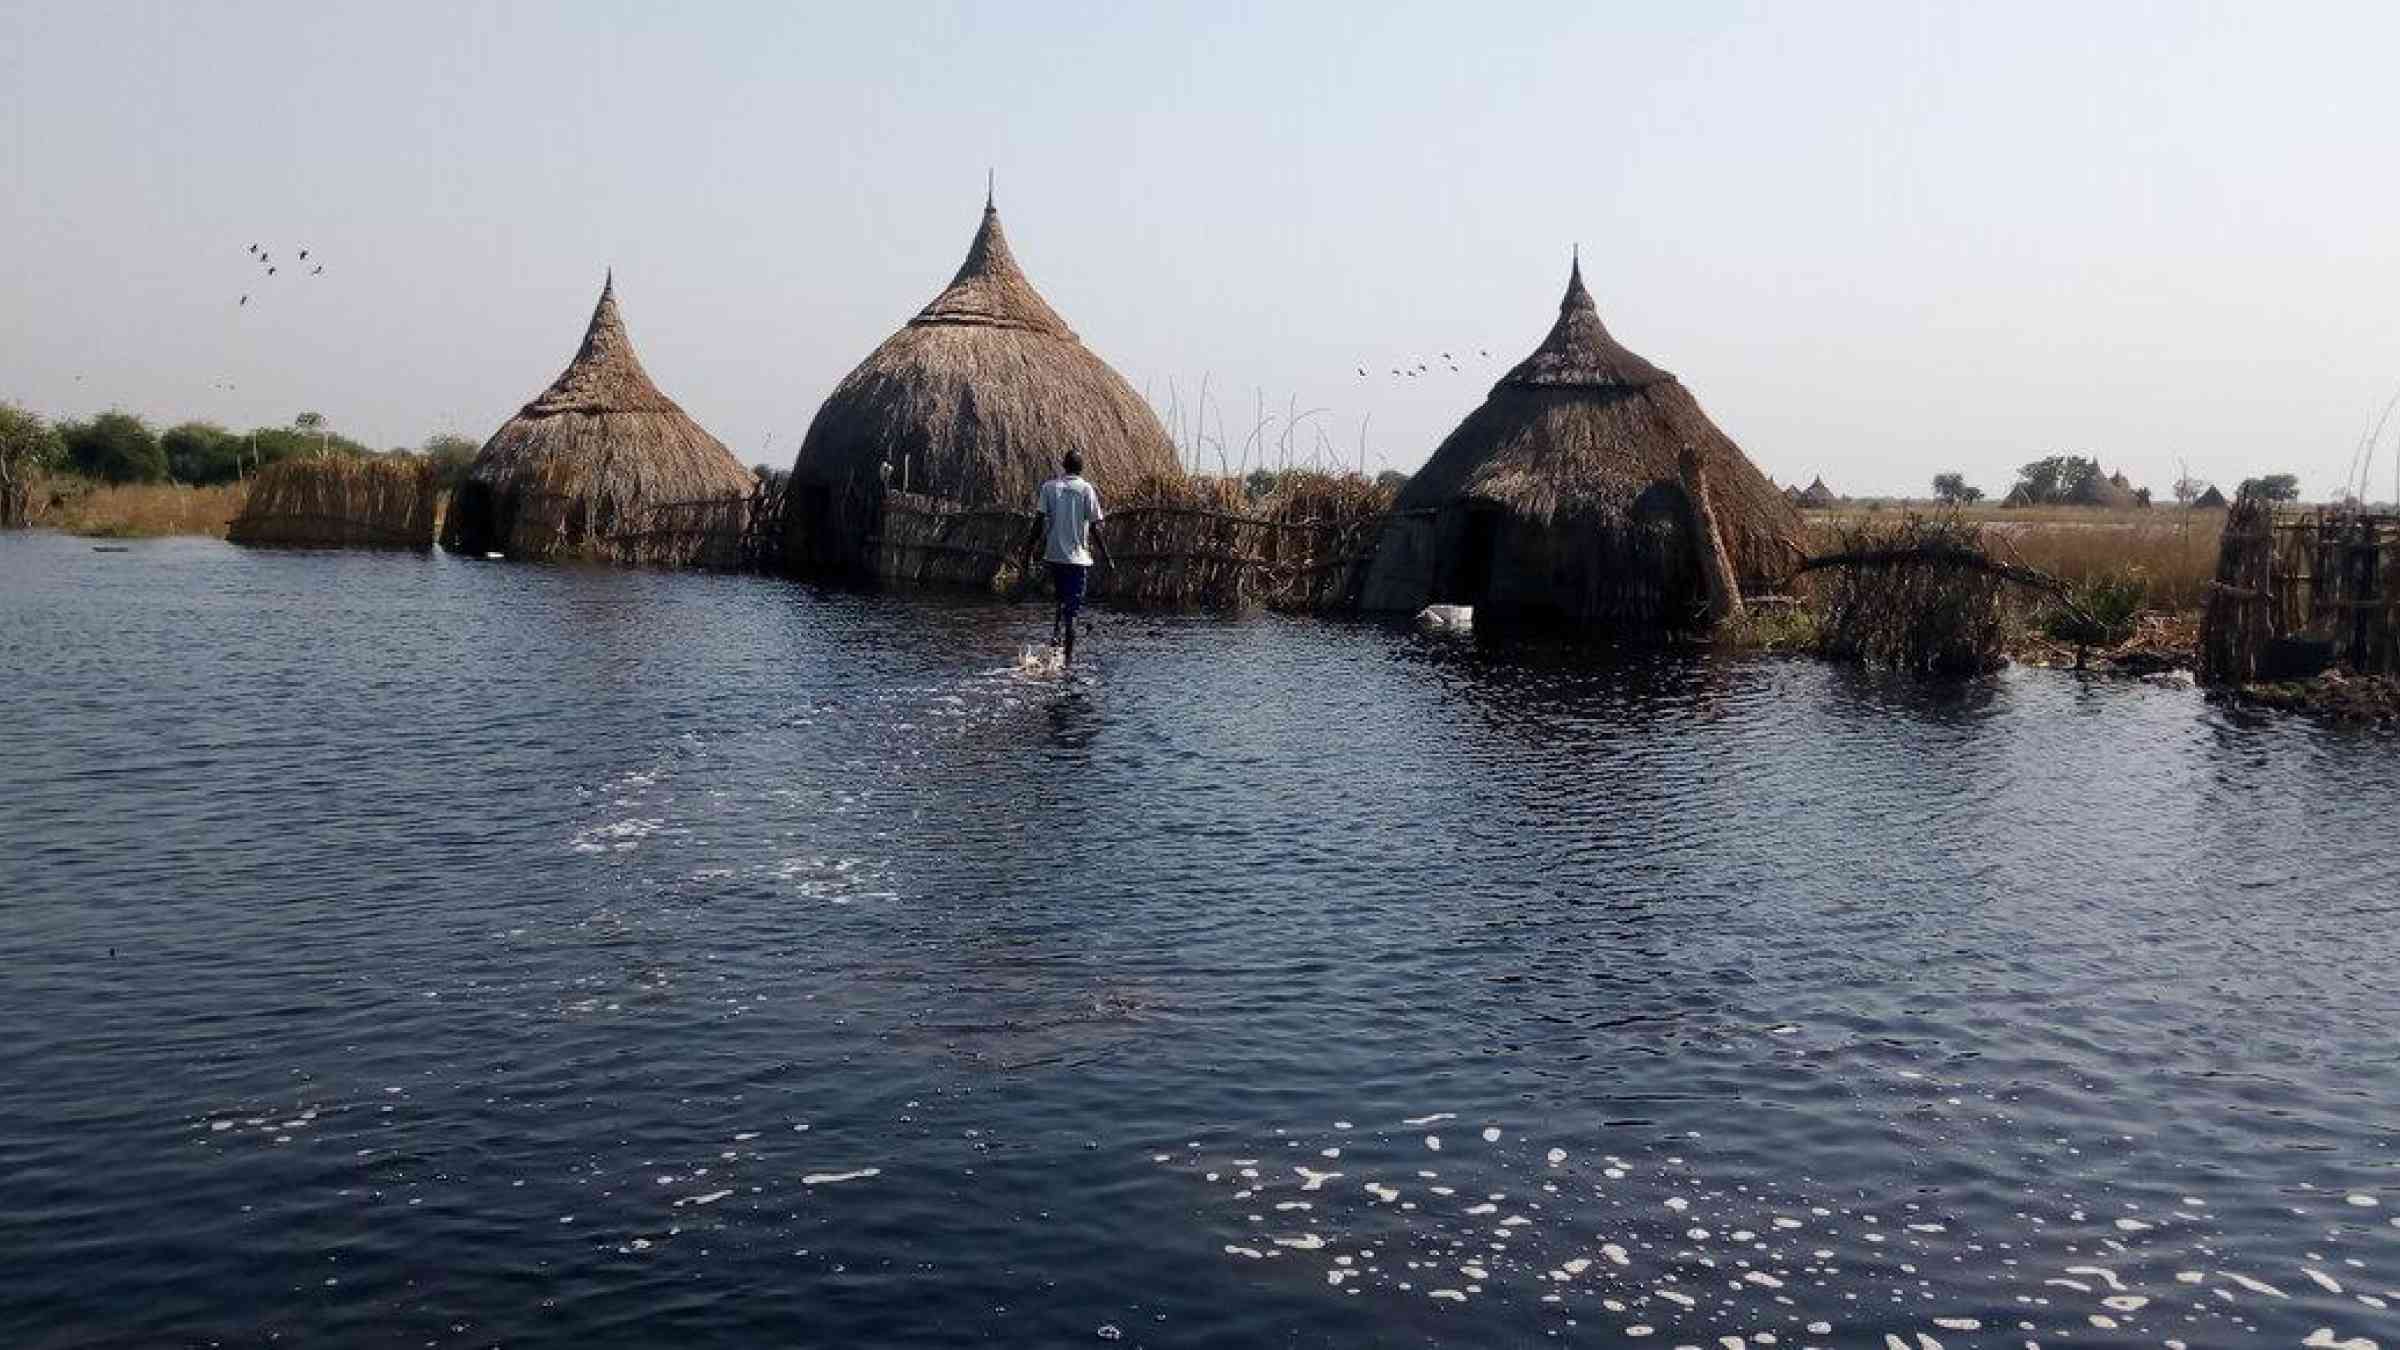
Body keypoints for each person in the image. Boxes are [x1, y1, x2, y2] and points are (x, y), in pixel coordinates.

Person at [1022, 451, 1109, 665]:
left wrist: (1027, 549)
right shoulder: (1086, 489)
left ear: (1063, 466)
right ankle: (1068, 663)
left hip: (1054, 557)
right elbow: (1095, 528)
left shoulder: (1049, 488)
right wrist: (1107, 556)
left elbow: (1038, 522)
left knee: (1060, 600)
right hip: (1077, 560)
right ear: (1081, 468)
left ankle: (1055, 639)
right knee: (1073, 612)